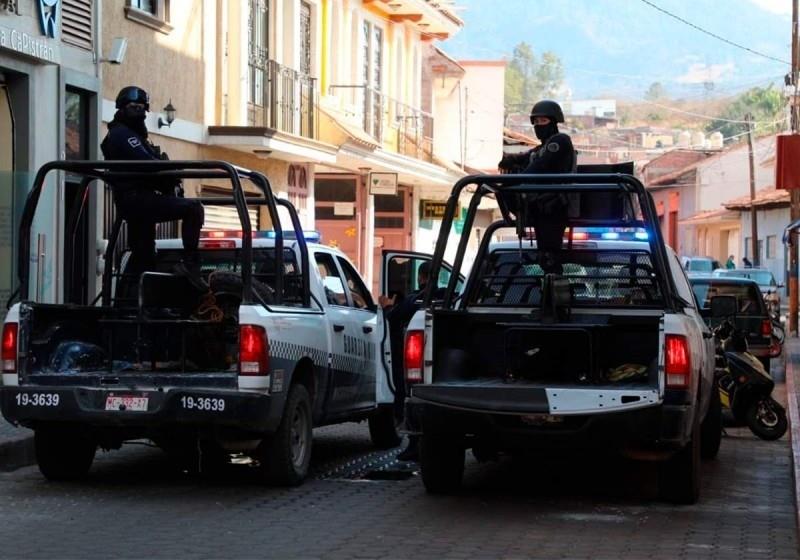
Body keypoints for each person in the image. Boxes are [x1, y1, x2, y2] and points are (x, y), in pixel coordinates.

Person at [101, 86, 206, 291]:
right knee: (194, 208)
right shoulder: (122, 134)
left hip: (141, 199)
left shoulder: (134, 135)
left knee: (144, 256)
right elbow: (147, 163)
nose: (138, 112)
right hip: (136, 199)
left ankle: (128, 304)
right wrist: (171, 172)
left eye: (142, 108)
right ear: (122, 108)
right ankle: (191, 264)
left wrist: (169, 178)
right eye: (133, 107)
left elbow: (151, 163)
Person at [498, 100, 576, 274]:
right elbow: (527, 157)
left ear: (554, 122)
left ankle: (557, 295)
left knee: (550, 257)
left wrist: (516, 180)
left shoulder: (560, 141)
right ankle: (550, 291)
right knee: (544, 257)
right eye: (536, 122)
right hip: (540, 208)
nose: (539, 126)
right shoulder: (542, 147)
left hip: (554, 206)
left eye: (544, 121)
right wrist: (510, 160)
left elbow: (539, 165)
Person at [378, 261, 432, 461]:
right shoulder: (449, 296)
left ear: (422, 278)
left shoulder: (414, 300)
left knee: (408, 396)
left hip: (414, 361)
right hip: (439, 365)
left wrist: (386, 307)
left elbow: (394, 317)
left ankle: (414, 446)